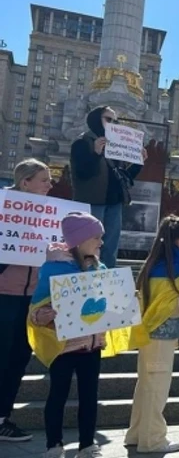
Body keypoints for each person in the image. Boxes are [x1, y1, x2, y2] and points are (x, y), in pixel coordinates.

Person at [28, 212, 132, 458]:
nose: (101, 243)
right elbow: (37, 306)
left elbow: (109, 303)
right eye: (96, 237)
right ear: (80, 239)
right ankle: (54, 445)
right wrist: (42, 316)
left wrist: (124, 302)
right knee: (58, 395)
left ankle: (88, 444)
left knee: (89, 395)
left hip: (92, 345)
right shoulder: (53, 268)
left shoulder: (101, 267)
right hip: (63, 347)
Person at [126, 217, 179, 453]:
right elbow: (164, 310)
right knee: (156, 389)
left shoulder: (159, 265)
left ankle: (137, 434)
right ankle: (152, 440)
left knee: (146, 386)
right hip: (160, 339)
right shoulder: (171, 271)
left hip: (151, 337)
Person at [0, 159, 53, 442]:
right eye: (44, 180)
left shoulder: (48, 214)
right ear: (25, 183)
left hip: (30, 297)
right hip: (4, 295)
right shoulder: (2, 209)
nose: (50, 185)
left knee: (18, 358)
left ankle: (2, 418)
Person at [70, 106, 146, 269]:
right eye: (108, 119)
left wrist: (139, 162)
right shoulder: (82, 143)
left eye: (116, 121)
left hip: (114, 204)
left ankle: (107, 282)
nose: (113, 124)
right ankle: (84, 279)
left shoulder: (116, 145)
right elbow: (81, 174)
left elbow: (124, 177)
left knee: (110, 248)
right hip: (91, 203)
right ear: (96, 120)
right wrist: (96, 153)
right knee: (88, 245)